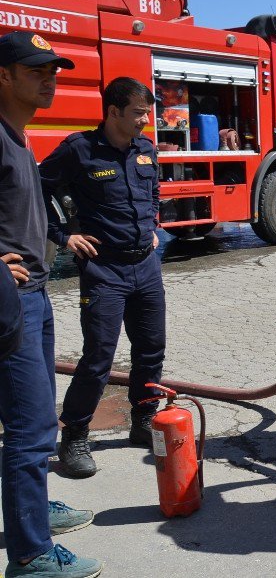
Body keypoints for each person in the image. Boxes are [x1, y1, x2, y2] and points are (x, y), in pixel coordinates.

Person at [0, 30, 102, 577]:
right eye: (37, 70)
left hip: (33, 295)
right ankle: (31, 556)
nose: (51, 79)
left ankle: (33, 511)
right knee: (30, 426)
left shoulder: (18, 135)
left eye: (54, 70)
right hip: (10, 302)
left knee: (36, 419)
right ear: (4, 75)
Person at [38, 77, 164, 480]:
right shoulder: (80, 149)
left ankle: (143, 420)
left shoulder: (146, 149)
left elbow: (154, 192)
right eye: (138, 113)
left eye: (147, 112)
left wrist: (153, 223)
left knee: (150, 349)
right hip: (104, 270)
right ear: (113, 111)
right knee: (98, 357)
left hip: (145, 266)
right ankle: (74, 435)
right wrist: (63, 235)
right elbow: (36, 190)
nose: (146, 120)